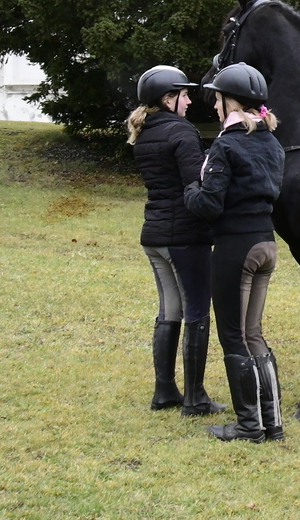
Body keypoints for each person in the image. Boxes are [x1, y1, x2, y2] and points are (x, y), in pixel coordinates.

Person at [184, 62, 286, 442]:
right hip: (266, 243)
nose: (214, 106)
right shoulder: (272, 142)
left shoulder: (226, 145)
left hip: (236, 247)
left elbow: (209, 204)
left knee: (233, 335)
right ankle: (272, 423)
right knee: (253, 333)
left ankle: (248, 425)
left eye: (218, 99)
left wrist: (189, 190)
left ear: (232, 103)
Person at [127, 65, 226, 417]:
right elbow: (196, 183)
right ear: (168, 98)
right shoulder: (181, 131)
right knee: (197, 312)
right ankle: (195, 398)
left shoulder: (145, 131)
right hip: (184, 236)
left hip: (154, 235)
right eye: (183, 95)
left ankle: (165, 390)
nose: (189, 101)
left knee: (169, 311)